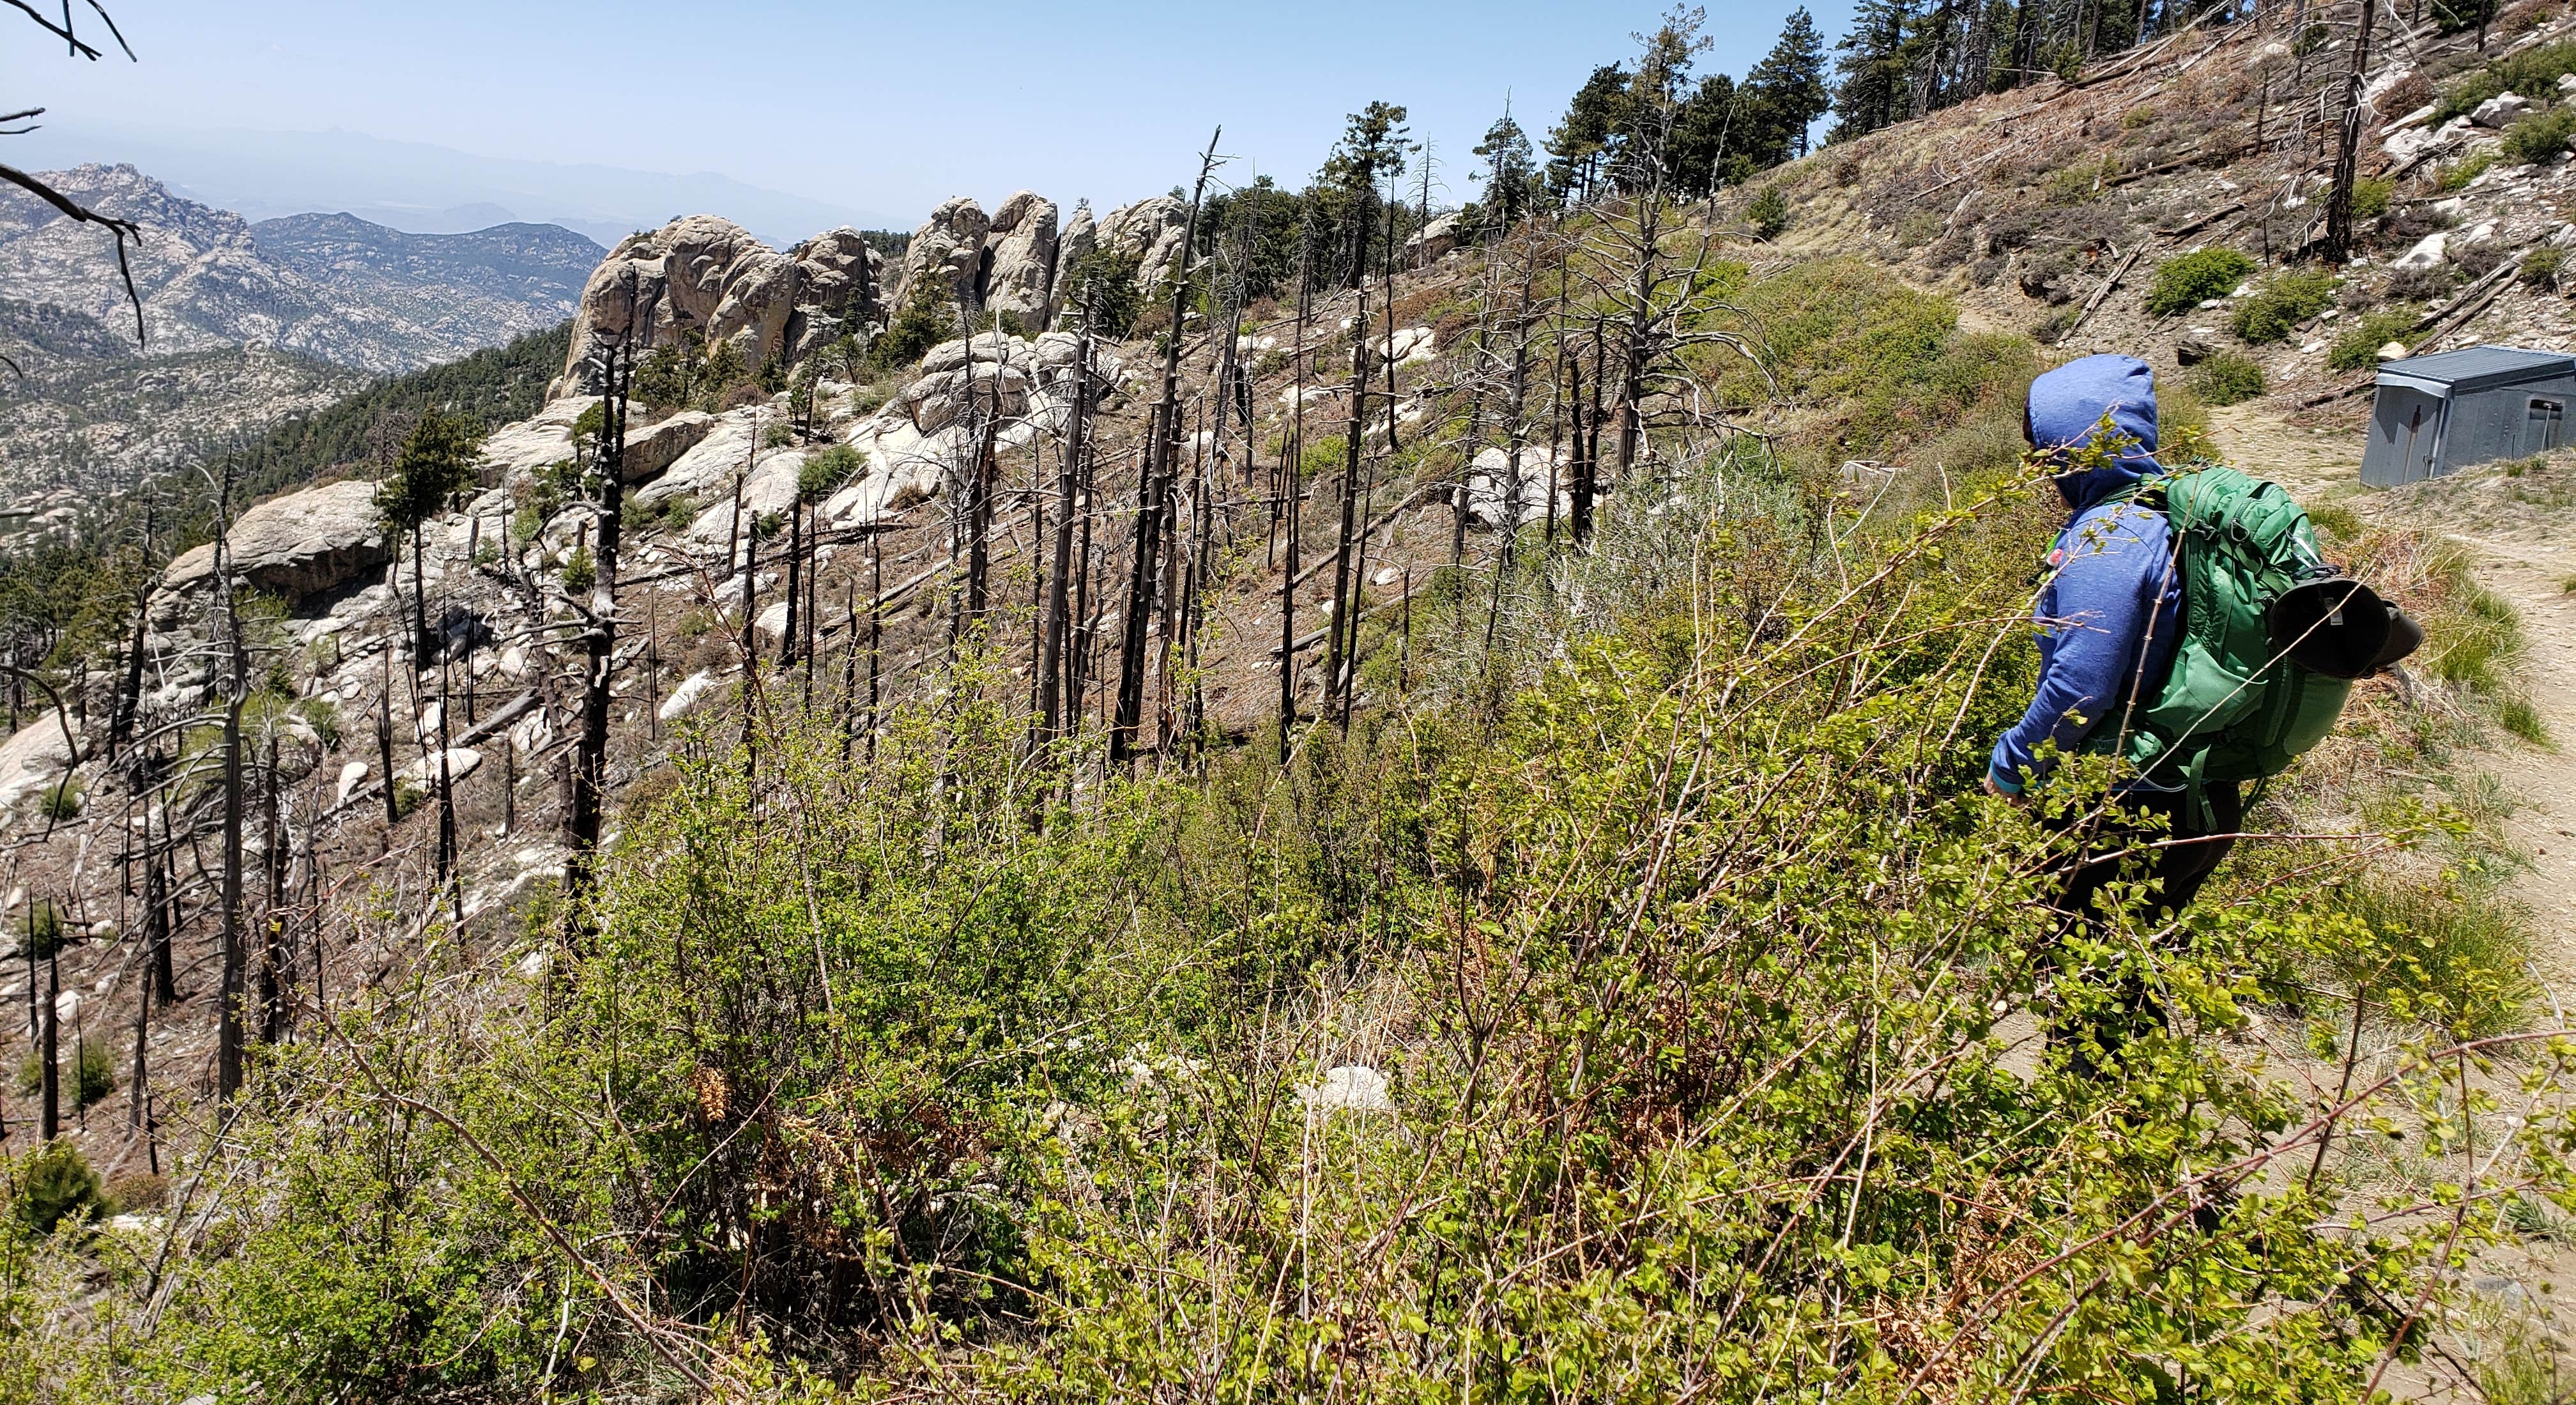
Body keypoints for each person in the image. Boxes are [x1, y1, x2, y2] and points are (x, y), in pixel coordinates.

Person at [1984, 355, 2244, 1071]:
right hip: (2187, 791)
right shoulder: (2159, 511)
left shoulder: (2113, 535)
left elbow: (2082, 685)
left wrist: (2011, 763)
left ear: (2079, 443)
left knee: (2095, 993)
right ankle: (2123, 1139)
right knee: (2119, 975)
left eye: (2046, 447)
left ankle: (2097, 1149)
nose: (2039, 464)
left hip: (2131, 802)